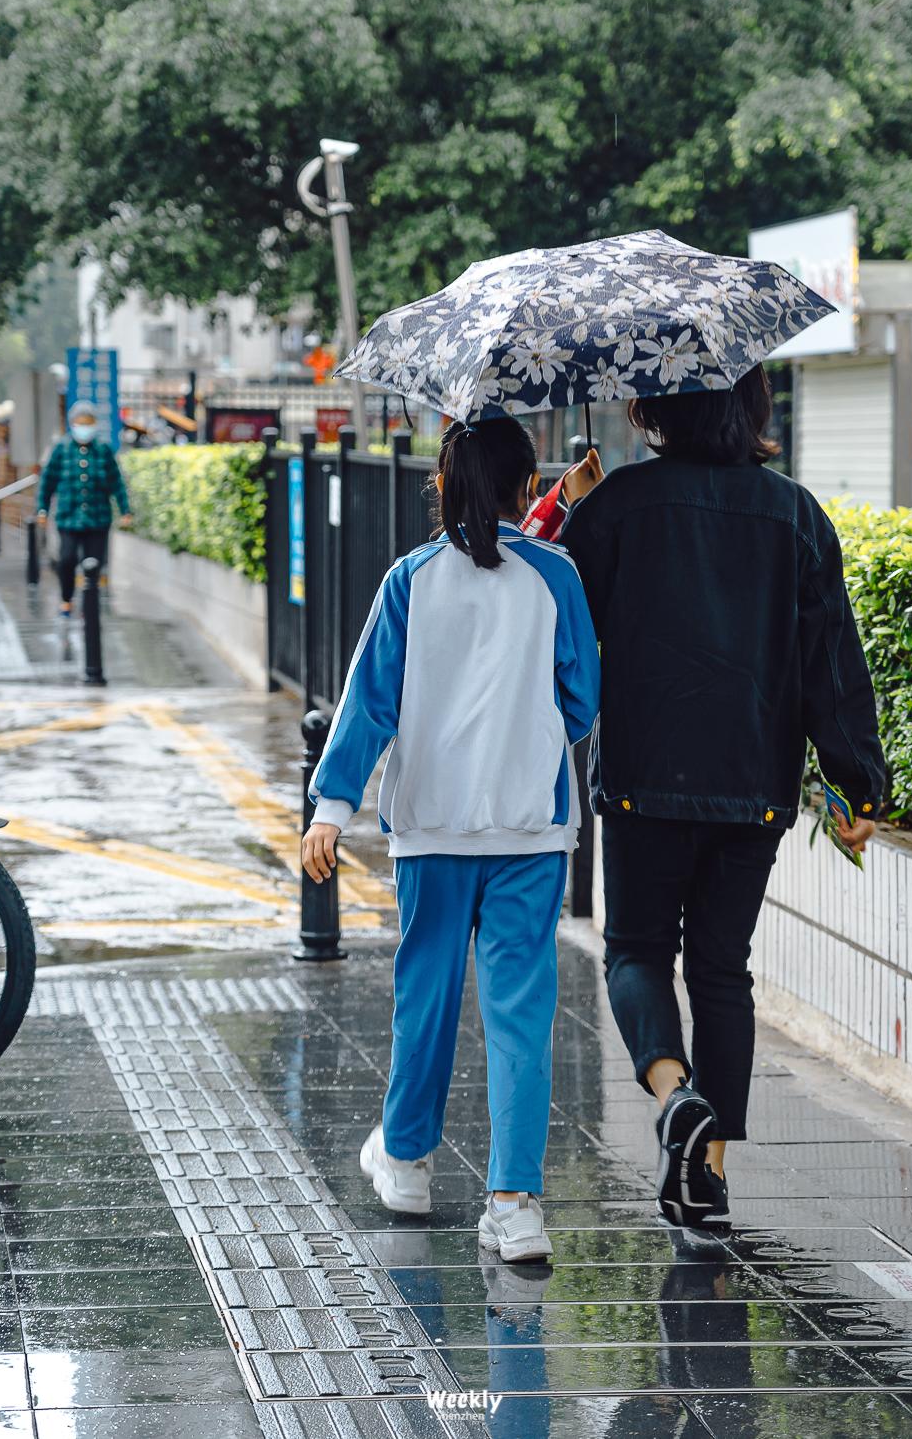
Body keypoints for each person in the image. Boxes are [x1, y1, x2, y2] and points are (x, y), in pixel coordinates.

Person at [560, 365, 885, 1229]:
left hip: (643, 777)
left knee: (632, 951)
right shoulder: (796, 515)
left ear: (655, 406)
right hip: (754, 786)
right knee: (721, 971)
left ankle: (672, 1097)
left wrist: (582, 507)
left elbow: (558, 617)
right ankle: (708, 1174)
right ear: (753, 408)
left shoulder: (620, 505)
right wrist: (858, 783)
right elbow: (833, 667)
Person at [301, 417, 600, 1262]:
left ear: (442, 485)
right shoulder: (556, 576)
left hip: (432, 825)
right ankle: (516, 1206)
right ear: (521, 486)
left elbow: (370, 703)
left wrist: (330, 812)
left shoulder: (410, 579)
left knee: (424, 996)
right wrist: (533, 737)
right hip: (530, 826)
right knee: (521, 1013)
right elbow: (582, 698)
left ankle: (405, 1160)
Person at [37, 402, 132, 617]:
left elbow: (116, 482)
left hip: (98, 518)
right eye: (80, 423)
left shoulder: (103, 450)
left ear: (95, 424)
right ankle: (66, 599)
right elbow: (48, 481)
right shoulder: (61, 449)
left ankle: (90, 603)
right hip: (68, 517)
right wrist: (42, 509)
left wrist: (125, 509)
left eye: (87, 423)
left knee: (94, 563)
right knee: (67, 558)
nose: (84, 427)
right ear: (72, 424)